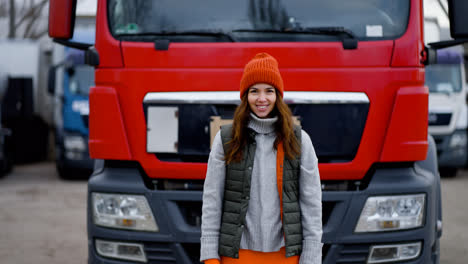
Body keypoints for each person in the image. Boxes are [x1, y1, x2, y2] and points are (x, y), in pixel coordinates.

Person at [200, 53, 322, 264]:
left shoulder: (300, 140)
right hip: (236, 255)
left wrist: (311, 258)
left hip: (286, 256)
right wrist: (210, 256)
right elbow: (212, 200)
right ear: (246, 96)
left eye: (269, 91)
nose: (262, 98)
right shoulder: (226, 138)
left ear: (278, 96)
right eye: (254, 91)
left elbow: (312, 204)